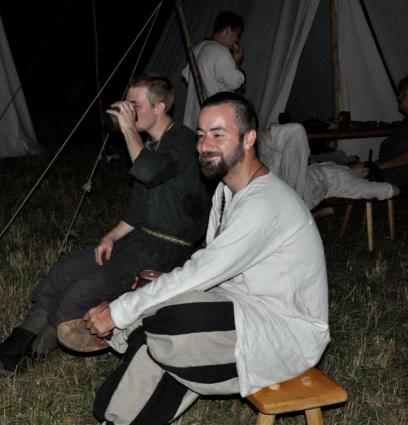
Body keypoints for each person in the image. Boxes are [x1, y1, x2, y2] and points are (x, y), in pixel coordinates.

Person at [85, 92, 330, 424]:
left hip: (285, 333)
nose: (204, 145)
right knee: (163, 317)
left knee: (169, 322)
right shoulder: (227, 192)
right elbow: (214, 266)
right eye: (201, 135)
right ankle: (115, 416)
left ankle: (130, 332)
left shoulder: (266, 203)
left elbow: (202, 271)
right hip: (240, 306)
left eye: (218, 134)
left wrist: (120, 310)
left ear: (248, 139)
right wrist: (151, 292)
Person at [0, 74, 210, 376]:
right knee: (63, 273)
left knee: (79, 293)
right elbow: (138, 209)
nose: (128, 111)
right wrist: (111, 235)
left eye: (135, 106)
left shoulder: (183, 142)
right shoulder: (151, 145)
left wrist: (128, 130)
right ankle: (10, 349)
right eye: (127, 104)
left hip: (164, 251)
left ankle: (28, 357)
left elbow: (148, 171)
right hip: (138, 240)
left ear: (159, 107)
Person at [353, 74, 408, 186]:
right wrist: (371, 165)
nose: (399, 98)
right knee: (351, 170)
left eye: (404, 95)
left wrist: (376, 167)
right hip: (395, 169)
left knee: (355, 179)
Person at [181, 10, 246, 130]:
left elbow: (186, 75)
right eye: (237, 35)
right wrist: (237, 61)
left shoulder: (198, 48)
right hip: (213, 121)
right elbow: (235, 82)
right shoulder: (220, 51)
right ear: (227, 30)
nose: (237, 40)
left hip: (193, 119)